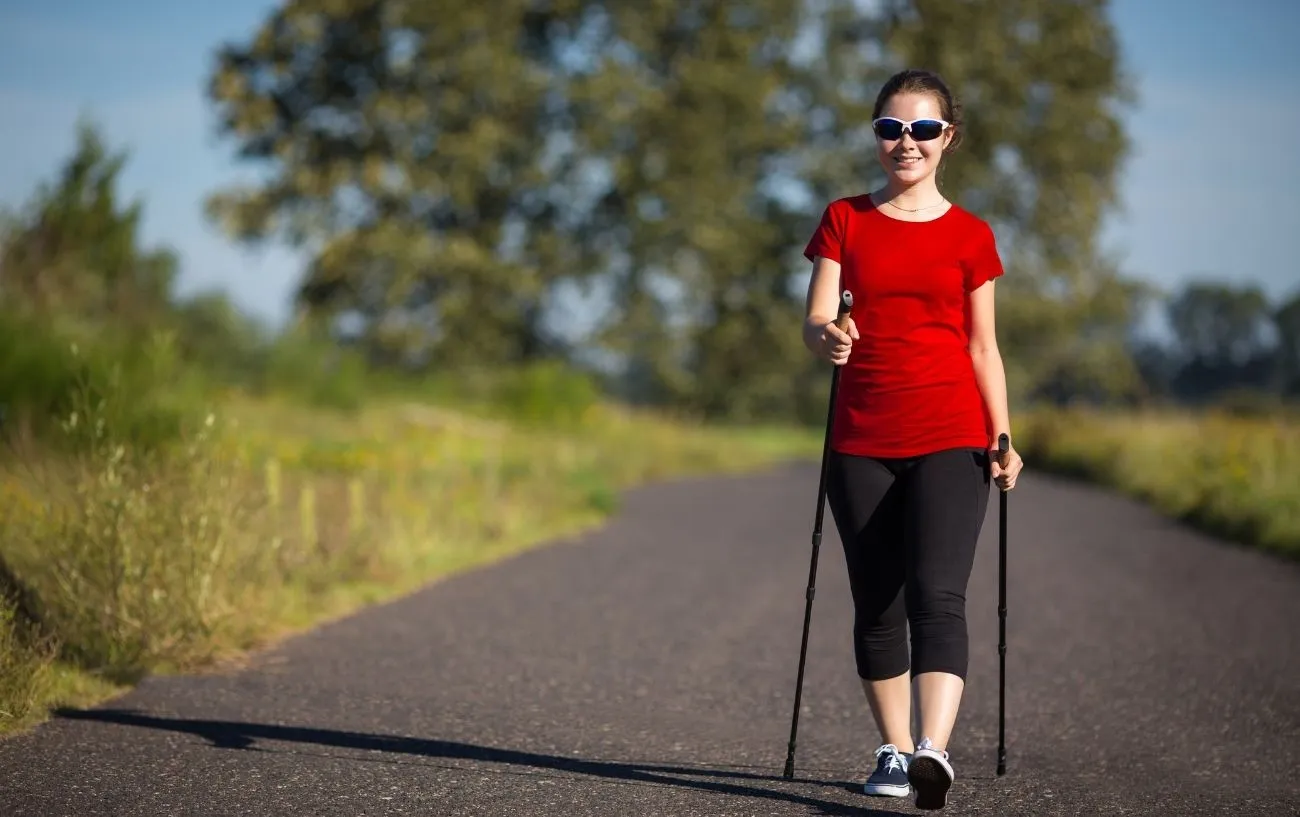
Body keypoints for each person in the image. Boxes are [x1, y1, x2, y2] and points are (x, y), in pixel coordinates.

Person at [800, 68, 1024, 811]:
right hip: (861, 435)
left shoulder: (972, 236)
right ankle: (894, 750)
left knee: (939, 593)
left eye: (923, 129)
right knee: (877, 603)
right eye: (892, 128)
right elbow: (817, 319)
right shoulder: (845, 219)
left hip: (951, 432)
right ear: (876, 136)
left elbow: (984, 347)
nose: (906, 143)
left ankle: (934, 749)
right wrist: (829, 336)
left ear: (947, 138)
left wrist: (1002, 434)